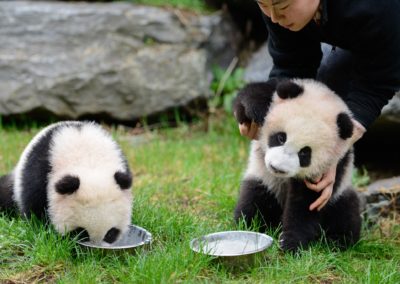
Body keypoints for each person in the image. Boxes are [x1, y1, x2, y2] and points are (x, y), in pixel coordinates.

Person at [238, 0, 400, 211]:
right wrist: (264, 113)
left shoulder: (377, 8)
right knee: (327, 84)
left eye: (283, 7)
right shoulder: (276, 6)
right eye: (263, 4)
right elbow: (292, 65)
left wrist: (331, 151)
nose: (274, 17)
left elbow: (374, 86)